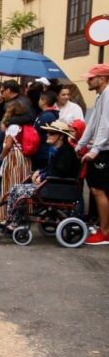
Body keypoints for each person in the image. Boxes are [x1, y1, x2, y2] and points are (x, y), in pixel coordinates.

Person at [4, 121, 80, 229]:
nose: (48, 134)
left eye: (52, 133)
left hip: (58, 188)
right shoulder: (57, 149)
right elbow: (51, 168)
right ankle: (12, 219)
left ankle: (16, 222)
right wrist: (40, 172)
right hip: (52, 184)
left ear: (61, 136)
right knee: (15, 189)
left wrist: (43, 176)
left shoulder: (67, 152)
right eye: (48, 132)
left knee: (20, 191)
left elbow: (60, 172)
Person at [76, 64, 109, 245]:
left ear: (101, 78)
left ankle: (105, 232)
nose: (87, 80)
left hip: (105, 151)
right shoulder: (100, 96)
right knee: (99, 190)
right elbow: (93, 123)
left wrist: (95, 149)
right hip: (102, 148)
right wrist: (80, 145)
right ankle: (103, 227)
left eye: (91, 78)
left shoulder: (108, 95)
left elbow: (105, 125)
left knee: (98, 190)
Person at [0, 100, 32, 223]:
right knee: (20, 186)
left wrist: (2, 156)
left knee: (10, 186)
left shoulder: (12, 126)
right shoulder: (24, 124)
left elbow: (8, 145)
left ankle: (7, 215)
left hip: (14, 157)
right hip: (23, 158)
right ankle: (20, 213)